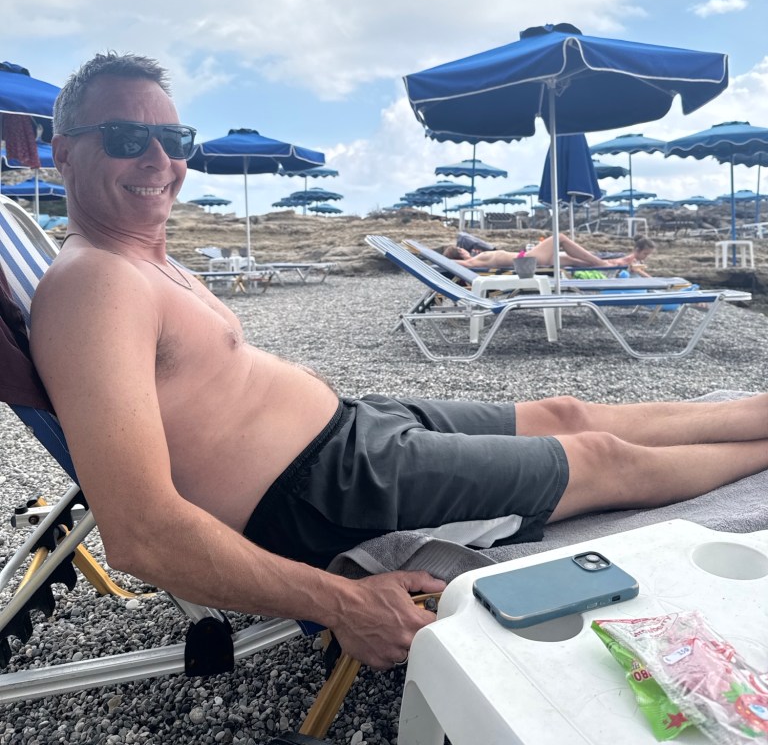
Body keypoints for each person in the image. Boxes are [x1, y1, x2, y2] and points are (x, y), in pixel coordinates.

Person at [30, 53, 768, 671]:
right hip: (329, 494)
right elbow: (141, 530)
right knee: (600, 456)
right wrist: (343, 602)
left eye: (174, 138)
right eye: (126, 137)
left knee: (565, 412)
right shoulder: (94, 285)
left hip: (355, 431)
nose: (160, 160)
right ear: (61, 153)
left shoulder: (143, 262)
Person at [441, 234, 656, 275]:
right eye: (460, 250)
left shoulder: (478, 259)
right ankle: (602, 264)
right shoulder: (475, 261)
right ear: (458, 255)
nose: (464, 248)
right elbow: (455, 264)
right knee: (560, 237)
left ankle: (611, 263)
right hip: (527, 260)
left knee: (573, 260)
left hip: (528, 259)